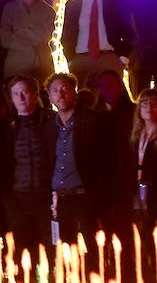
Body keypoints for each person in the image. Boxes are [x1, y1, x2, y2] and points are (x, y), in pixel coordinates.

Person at [0, 76, 57, 258]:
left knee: (51, 248)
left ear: (34, 93)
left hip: (46, 196)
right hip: (18, 199)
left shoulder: (51, 120)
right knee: (23, 250)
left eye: (24, 92)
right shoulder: (5, 126)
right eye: (15, 93)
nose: (20, 98)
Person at [47, 72, 110, 243]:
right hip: (59, 200)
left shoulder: (92, 121)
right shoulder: (50, 126)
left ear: (74, 92)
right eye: (54, 91)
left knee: (90, 251)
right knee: (64, 252)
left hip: (85, 196)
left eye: (64, 89)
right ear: (50, 97)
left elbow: (106, 161)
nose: (60, 94)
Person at [61, 0, 133, 87]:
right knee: (84, 99)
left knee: (111, 97)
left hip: (109, 57)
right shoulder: (73, 4)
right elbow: (67, 35)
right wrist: (71, 59)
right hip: (81, 59)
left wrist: (123, 57)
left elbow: (130, 29)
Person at [122, 88, 157, 242]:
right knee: (138, 234)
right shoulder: (135, 134)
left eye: (154, 104)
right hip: (136, 190)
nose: (149, 108)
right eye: (144, 104)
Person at [0, 0, 56, 81]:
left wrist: (19, 32)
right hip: (16, 66)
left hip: (42, 66)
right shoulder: (10, 9)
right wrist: (33, 34)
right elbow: (5, 40)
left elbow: (44, 37)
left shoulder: (48, 11)